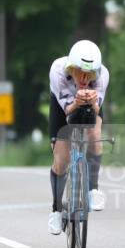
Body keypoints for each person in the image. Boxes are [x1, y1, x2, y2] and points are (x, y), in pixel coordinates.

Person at [47, 39, 108, 235]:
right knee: (61, 160)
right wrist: (77, 101)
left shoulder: (102, 75)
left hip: (89, 105)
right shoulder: (58, 70)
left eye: (89, 74)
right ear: (71, 67)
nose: (84, 78)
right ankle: (56, 210)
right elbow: (67, 111)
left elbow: (97, 109)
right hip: (62, 106)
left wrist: (91, 101)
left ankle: (93, 189)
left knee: (95, 131)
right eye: (79, 71)